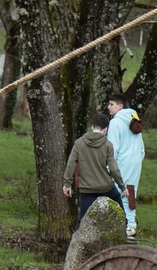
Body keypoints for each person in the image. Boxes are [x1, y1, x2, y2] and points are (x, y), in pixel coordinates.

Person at [62, 112, 126, 231]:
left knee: (83, 221)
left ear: (92, 127)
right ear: (106, 129)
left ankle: (75, 245)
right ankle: (125, 231)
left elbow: (71, 164)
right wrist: (123, 187)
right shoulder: (108, 145)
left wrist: (67, 184)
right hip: (106, 188)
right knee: (121, 213)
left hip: (87, 189)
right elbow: (113, 169)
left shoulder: (79, 143)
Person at [106, 93, 145, 239]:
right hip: (135, 162)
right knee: (131, 190)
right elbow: (141, 148)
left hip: (122, 162)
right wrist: (138, 159)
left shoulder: (115, 123)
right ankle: (130, 223)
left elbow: (113, 148)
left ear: (120, 106)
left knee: (119, 192)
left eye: (111, 104)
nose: (108, 107)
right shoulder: (134, 120)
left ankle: (125, 225)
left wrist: (110, 167)